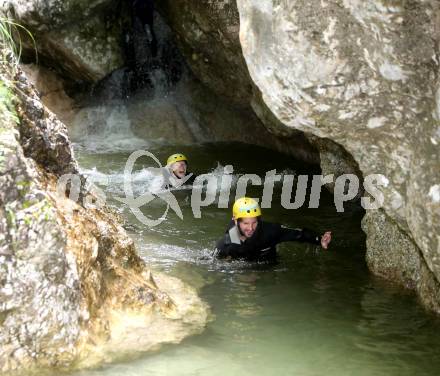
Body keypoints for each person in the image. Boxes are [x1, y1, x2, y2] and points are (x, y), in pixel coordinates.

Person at [213, 197, 332, 261]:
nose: (251, 228)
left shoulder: (270, 231)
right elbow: (214, 260)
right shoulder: (228, 241)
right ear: (235, 220)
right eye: (246, 223)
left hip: (267, 264)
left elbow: (297, 233)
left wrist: (319, 239)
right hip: (243, 264)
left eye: (254, 223)